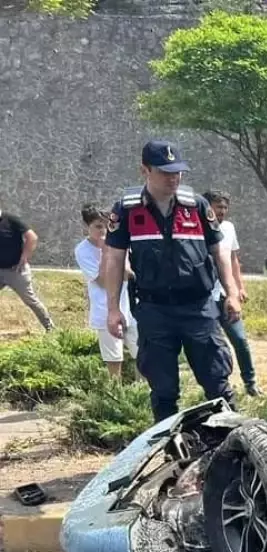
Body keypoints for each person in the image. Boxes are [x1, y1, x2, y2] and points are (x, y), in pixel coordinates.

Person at [102, 140, 238, 422]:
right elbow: (114, 259)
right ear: (145, 171)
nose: (173, 178)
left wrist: (232, 292)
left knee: (217, 383)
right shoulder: (127, 210)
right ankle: (171, 452)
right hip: (155, 310)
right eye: (165, 172)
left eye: (177, 172)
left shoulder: (196, 205)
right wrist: (113, 308)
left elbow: (220, 252)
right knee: (163, 390)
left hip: (198, 308)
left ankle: (234, 445)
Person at [203, 190, 257, 396]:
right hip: (206, 297)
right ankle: (220, 388)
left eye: (225, 208)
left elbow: (233, 259)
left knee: (240, 340)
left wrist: (239, 287)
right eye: (219, 207)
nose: (222, 212)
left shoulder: (229, 228)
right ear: (207, 207)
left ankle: (250, 383)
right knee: (214, 345)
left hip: (227, 296)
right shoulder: (197, 229)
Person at [75, 204, 137, 378]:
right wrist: (106, 252)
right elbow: (103, 282)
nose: (103, 231)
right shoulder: (83, 250)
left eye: (106, 225)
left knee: (142, 354)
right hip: (105, 310)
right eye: (98, 226)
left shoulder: (121, 243)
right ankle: (116, 394)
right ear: (86, 227)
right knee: (114, 357)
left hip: (131, 307)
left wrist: (116, 254)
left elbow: (129, 275)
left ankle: (143, 394)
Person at [0, 203, 54, 331]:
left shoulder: (11, 220)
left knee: (30, 300)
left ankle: (50, 328)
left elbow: (32, 237)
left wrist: (24, 258)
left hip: (16, 270)